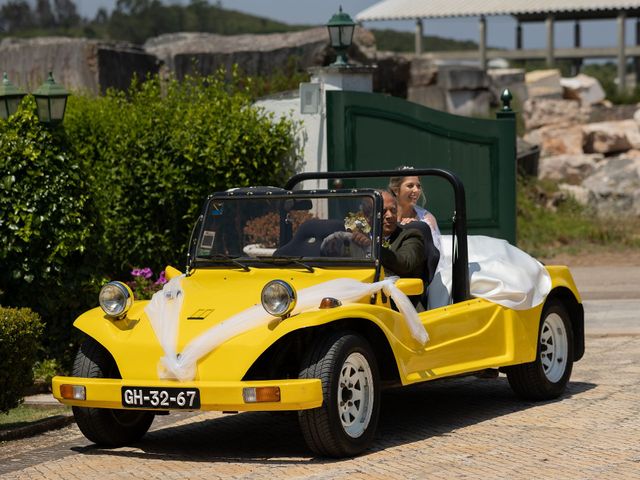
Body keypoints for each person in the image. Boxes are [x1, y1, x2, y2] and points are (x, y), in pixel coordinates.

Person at [388, 167, 442, 254]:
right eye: (410, 186)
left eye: (418, 186)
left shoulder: (427, 219)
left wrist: (417, 228)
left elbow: (435, 253)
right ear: (396, 190)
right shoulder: (384, 216)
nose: (416, 190)